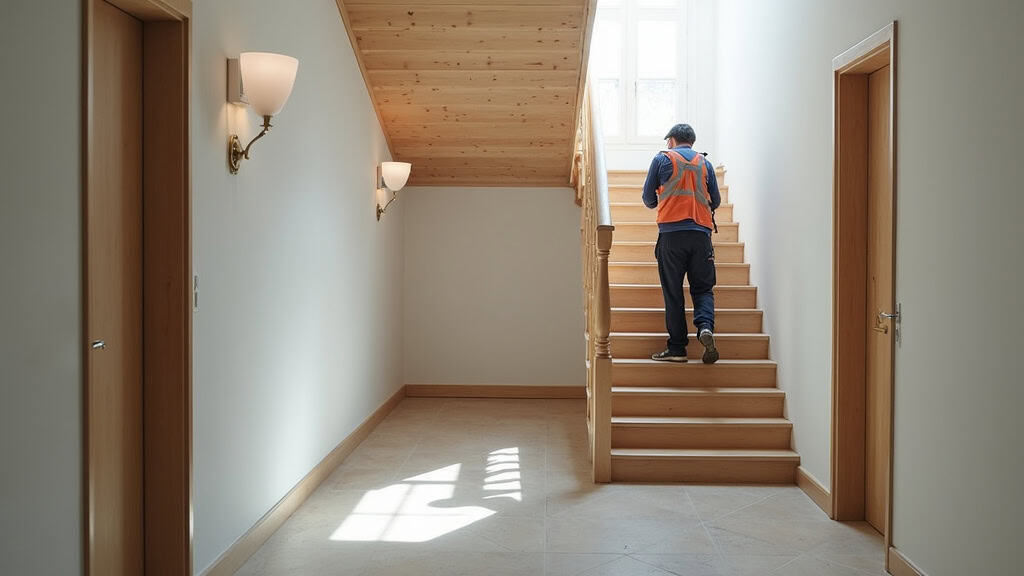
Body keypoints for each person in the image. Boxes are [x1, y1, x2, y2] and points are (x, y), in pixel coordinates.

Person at [642, 123, 721, 363]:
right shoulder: (704, 163)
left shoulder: (662, 159)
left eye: (668, 141)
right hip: (701, 235)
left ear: (672, 140)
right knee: (703, 288)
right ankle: (705, 327)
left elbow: (648, 199)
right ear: (692, 141)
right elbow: (715, 201)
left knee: (673, 292)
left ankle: (677, 348)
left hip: (672, 236)